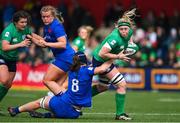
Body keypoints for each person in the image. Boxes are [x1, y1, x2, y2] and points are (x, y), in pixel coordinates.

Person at [8, 51, 112, 119]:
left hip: (62, 103)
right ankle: (47, 115)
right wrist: (114, 57)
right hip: (74, 113)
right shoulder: (87, 70)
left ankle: (16, 110)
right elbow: (103, 69)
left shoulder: (71, 71)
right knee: (95, 88)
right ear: (85, 61)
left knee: (39, 102)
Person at [91, 8, 138, 120]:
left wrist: (132, 47)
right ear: (117, 29)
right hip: (100, 60)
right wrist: (118, 56)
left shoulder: (129, 32)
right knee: (122, 84)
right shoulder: (114, 38)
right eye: (121, 29)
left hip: (108, 59)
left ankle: (79, 100)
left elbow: (130, 43)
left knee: (102, 87)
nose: (124, 31)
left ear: (129, 28)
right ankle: (120, 114)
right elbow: (103, 53)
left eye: (126, 29)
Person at [27, 5, 75, 95]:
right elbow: (43, 42)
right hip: (66, 58)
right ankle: (62, 105)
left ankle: (67, 102)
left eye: (48, 16)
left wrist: (47, 44)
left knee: (46, 80)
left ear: (52, 16)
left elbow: (63, 44)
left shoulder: (56, 26)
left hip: (65, 58)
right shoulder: (47, 26)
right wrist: (29, 34)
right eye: (43, 17)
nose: (45, 19)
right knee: (57, 87)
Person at [0, 10, 31, 104]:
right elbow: (4, 47)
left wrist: (42, 41)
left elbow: (32, 36)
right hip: (2, 56)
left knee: (8, 85)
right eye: (22, 22)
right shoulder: (8, 31)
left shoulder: (25, 29)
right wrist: (20, 44)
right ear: (15, 22)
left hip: (12, 59)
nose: (24, 24)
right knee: (4, 80)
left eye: (25, 22)